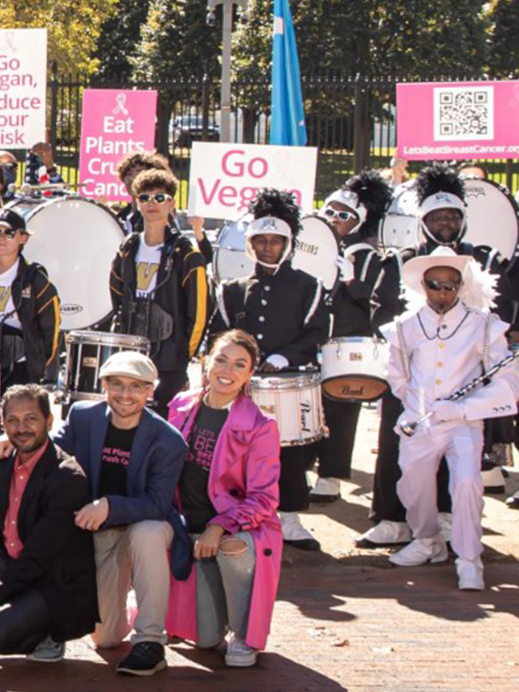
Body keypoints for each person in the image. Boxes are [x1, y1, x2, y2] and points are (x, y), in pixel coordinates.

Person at [385, 247, 518, 591]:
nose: (443, 292)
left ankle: (469, 559)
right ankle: (427, 540)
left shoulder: (483, 325)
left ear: (460, 286)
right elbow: (398, 377)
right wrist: (412, 411)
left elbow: (507, 381)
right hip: (420, 424)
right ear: (423, 286)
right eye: (435, 284)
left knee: (467, 484)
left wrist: (463, 409)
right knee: (413, 487)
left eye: (450, 285)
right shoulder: (404, 327)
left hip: (464, 424)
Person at [53, 351, 191, 676]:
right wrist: (4, 440)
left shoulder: (169, 441)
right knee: (106, 639)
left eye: (136, 387)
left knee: (145, 533)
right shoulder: (83, 417)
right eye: (117, 384)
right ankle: (130, 605)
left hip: (147, 525)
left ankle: (151, 641)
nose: (125, 395)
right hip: (102, 533)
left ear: (150, 392)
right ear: (103, 385)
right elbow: (49, 452)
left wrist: (109, 505)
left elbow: (158, 503)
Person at [209, 189, 331, 551]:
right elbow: (219, 334)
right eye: (259, 241)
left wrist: (286, 357)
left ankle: (290, 518)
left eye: (275, 241)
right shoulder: (232, 289)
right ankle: (239, 511)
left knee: (289, 452)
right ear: (249, 245)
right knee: (239, 452)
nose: (267, 248)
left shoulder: (308, 286)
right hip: (242, 387)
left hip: (286, 385)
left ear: (287, 244)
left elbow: (318, 332)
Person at [162, 330, 282, 668]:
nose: (227, 370)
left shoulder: (260, 426)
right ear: (206, 361)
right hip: (189, 525)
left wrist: (220, 526)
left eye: (239, 364)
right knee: (205, 641)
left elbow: (264, 498)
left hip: (240, 529)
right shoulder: (181, 405)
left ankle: (244, 635)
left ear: (249, 374)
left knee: (233, 549)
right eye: (221, 359)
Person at [0, 385, 96, 663]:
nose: (22, 428)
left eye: (31, 419)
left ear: (49, 421)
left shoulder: (68, 477)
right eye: (13, 421)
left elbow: (36, 558)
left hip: (51, 582)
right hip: (8, 562)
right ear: (3, 423)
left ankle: (49, 632)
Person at [318, 172, 404, 519]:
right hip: (319, 336)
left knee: (343, 405)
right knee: (317, 406)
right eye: (331, 212)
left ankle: (332, 474)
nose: (335, 219)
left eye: (344, 215)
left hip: (349, 338)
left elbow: (371, 299)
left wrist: (351, 280)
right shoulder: (317, 246)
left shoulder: (366, 254)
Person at [106, 167, 209, 410]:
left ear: (171, 203)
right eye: (144, 197)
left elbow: (199, 310)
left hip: (170, 357)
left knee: (162, 418)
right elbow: (117, 295)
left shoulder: (186, 254)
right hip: (131, 350)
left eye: (159, 197)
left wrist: (184, 354)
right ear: (137, 203)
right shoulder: (127, 248)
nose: (152, 203)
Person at [0, 206, 62, 389]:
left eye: (9, 233)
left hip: (20, 366)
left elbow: (50, 326)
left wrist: (38, 365)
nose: (2, 239)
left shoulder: (34, 277)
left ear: (23, 237)